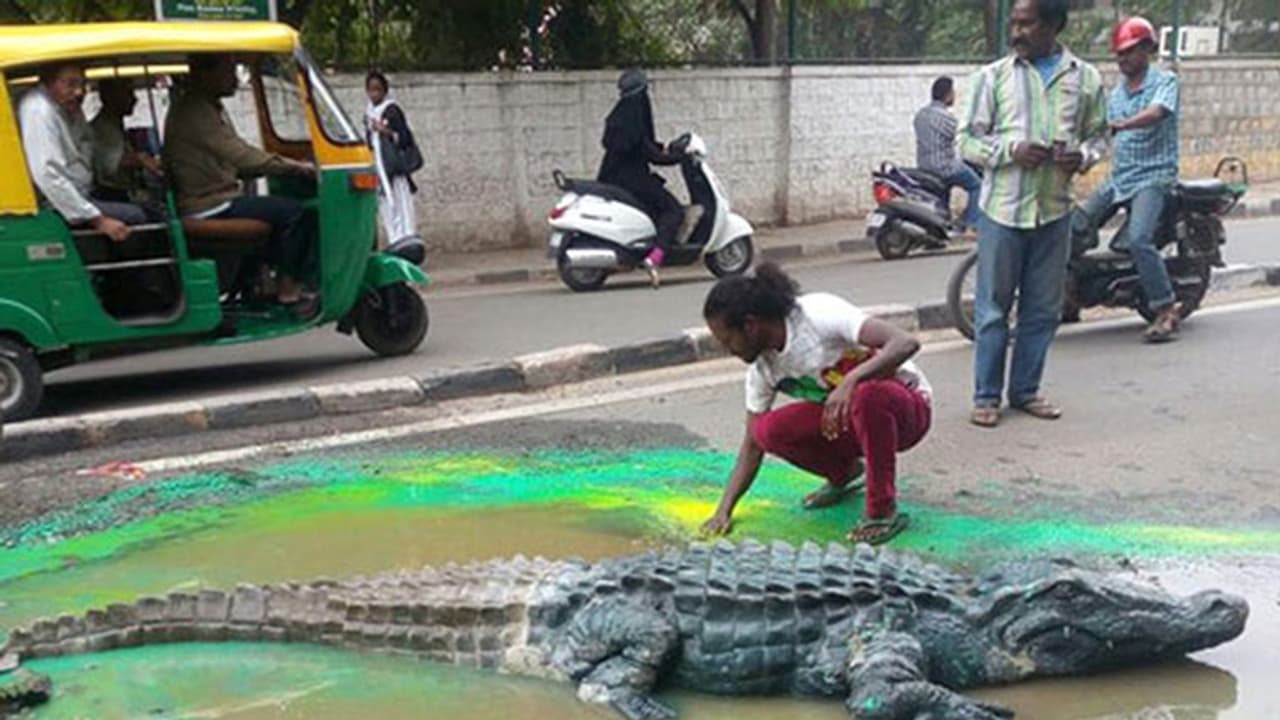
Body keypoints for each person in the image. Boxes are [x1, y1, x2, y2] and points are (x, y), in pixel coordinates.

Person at [699, 263, 933, 546]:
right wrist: (723, 511)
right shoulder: (763, 369)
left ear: (750, 325)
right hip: (852, 421)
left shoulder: (817, 314)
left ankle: (882, 511)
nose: (729, 350)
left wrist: (852, 380)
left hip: (906, 412)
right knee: (767, 430)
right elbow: (752, 444)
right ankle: (844, 474)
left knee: (867, 394)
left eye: (728, 340)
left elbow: (905, 342)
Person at [958, 0, 1108, 429]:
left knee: (1042, 310)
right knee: (991, 310)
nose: (1017, 31)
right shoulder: (993, 78)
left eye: (1027, 23)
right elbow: (966, 140)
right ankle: (986, 396)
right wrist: (1009, 151)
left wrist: (1082, 156)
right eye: (1015, 23)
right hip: (1002, 211)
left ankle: (1025, 391)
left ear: (1054, 25)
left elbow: (1100, 137)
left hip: (1054, 211)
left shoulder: (1086, 79)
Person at [164, 54, 319, 314]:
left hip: (215, 196)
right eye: (228, 71)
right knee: (296, 213)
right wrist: (295, 167)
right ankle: (288, 288)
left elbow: (238, 161)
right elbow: (239, 154)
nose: (235, 79)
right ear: (204, 74)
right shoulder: (195, 111)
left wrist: (283, 163)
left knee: (272, 211)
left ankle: (261, 282)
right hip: (207, 203)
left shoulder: (206, 107)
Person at [1073, 17, 1183, 343]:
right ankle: (1071, 294)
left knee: (1138, 240)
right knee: (1074, 226)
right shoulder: (1117, 94)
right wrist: (1080, 160)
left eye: (1130, 52)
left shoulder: (1165, 82)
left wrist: (1123, 125)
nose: (1123, 60)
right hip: (1120, 178)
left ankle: (1165, 309)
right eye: (1119, 54)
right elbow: (1100, 135)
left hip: (1153, 178)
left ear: (1147, 49)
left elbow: (1157, 113)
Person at [17, 62, 146, 242]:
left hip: (83, 192)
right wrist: (98, 220)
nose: (79, 92)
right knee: (138, 217)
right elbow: (48, 174)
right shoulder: (38, 110)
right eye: (70, 84)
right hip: (59, 204)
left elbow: (87, 147)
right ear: (49, 81)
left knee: (141, 206)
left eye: (83, 85)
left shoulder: (67, 107)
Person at [597, 69, 685, 289]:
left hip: (614, 177)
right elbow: (650, 154)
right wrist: (678, 157)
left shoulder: (619, 117)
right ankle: (654, 257)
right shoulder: (634, 121)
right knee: (673, 210)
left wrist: (662, 147)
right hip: (632, 180)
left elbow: (643, 146)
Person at [364, 70, 426, 261]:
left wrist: (387, 131)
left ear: (384, 91)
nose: (374, 94)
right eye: (371, 90)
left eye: (378, 90)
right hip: (380, 172)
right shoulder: (368, 114)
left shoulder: (392, 110)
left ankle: (409, 249)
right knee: (388, 210)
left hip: (394, 172)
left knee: (402, 208)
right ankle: (396, 246)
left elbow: (406, 138)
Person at [914, 76, 981, 234]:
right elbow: (965, 136)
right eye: (953, 92)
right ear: (948, 95)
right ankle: (972, 224)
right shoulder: (946, 117)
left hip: (924, 167)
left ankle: (941, 228)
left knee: (942, 194)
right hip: (944, 166)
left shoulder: (920, 115)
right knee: (977, 185)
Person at [90, 77, 164, 212]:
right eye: (128, 94)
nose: (135, 100)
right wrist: (141, 159)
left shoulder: (116, 126)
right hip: (111, 195)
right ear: (109, 97)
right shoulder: (103, 129)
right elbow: (111, 166)